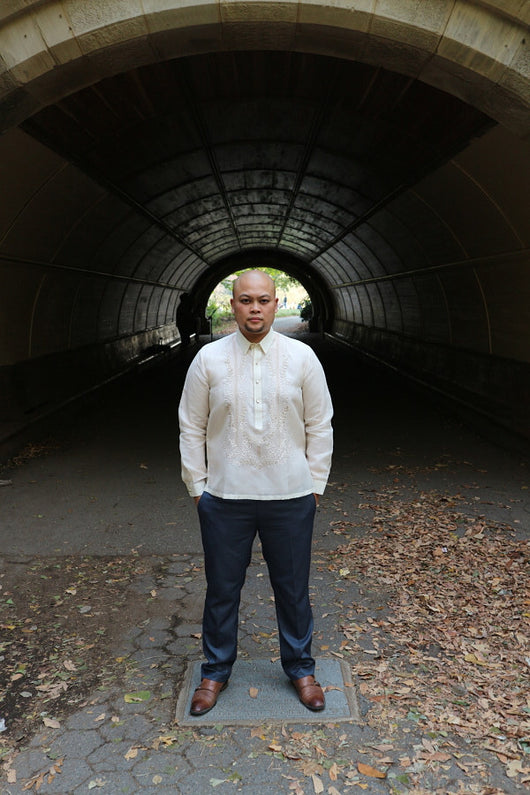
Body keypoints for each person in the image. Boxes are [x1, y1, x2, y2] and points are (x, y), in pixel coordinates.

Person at [178, 270, 333, 716]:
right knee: (222, 589)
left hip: (290, 496)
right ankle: (215, 672)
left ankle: (301, 670)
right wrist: (198, 488)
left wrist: (314, 486)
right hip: (225, 499)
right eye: (246, 300)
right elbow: (191, 425)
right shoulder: (208, 359)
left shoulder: (302, 358)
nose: (255, 308)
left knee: (293, 589)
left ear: (276, 301)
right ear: (232, 305)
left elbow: (320, 424)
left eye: (263, 300)